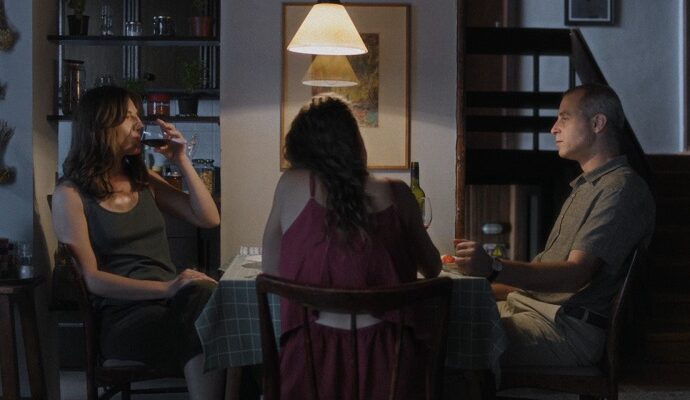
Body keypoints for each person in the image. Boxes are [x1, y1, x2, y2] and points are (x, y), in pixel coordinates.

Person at [455, 83, 655, 367]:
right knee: (444, 314)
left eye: (564, 117)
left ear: (597, 123)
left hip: (565, 328)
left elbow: (576, 275)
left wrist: (494, 267)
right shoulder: (586, 187)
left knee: (447, 336)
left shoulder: (620, 189)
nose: (553, 129)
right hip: (534, 311)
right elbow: (537, 285)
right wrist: (464, 284)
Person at [262, 94, 441, 399]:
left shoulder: (290, 185)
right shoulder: (398, 193)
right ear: (355, 143)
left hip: (310, 362)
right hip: (391, 364)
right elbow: (433, 268)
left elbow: (271, 271)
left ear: (300, 148)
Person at [51, 86, 225, 399]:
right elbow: (92, 280)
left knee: (212, 307)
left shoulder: (143, 181)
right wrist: (168, 287)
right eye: (128, 117)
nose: (140, 124)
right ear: (100, 126)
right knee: (214, 320)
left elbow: (209, 218)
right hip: (124, 320)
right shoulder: (71, 195)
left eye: (138, 116)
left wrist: (182, 160)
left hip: (173, 307)